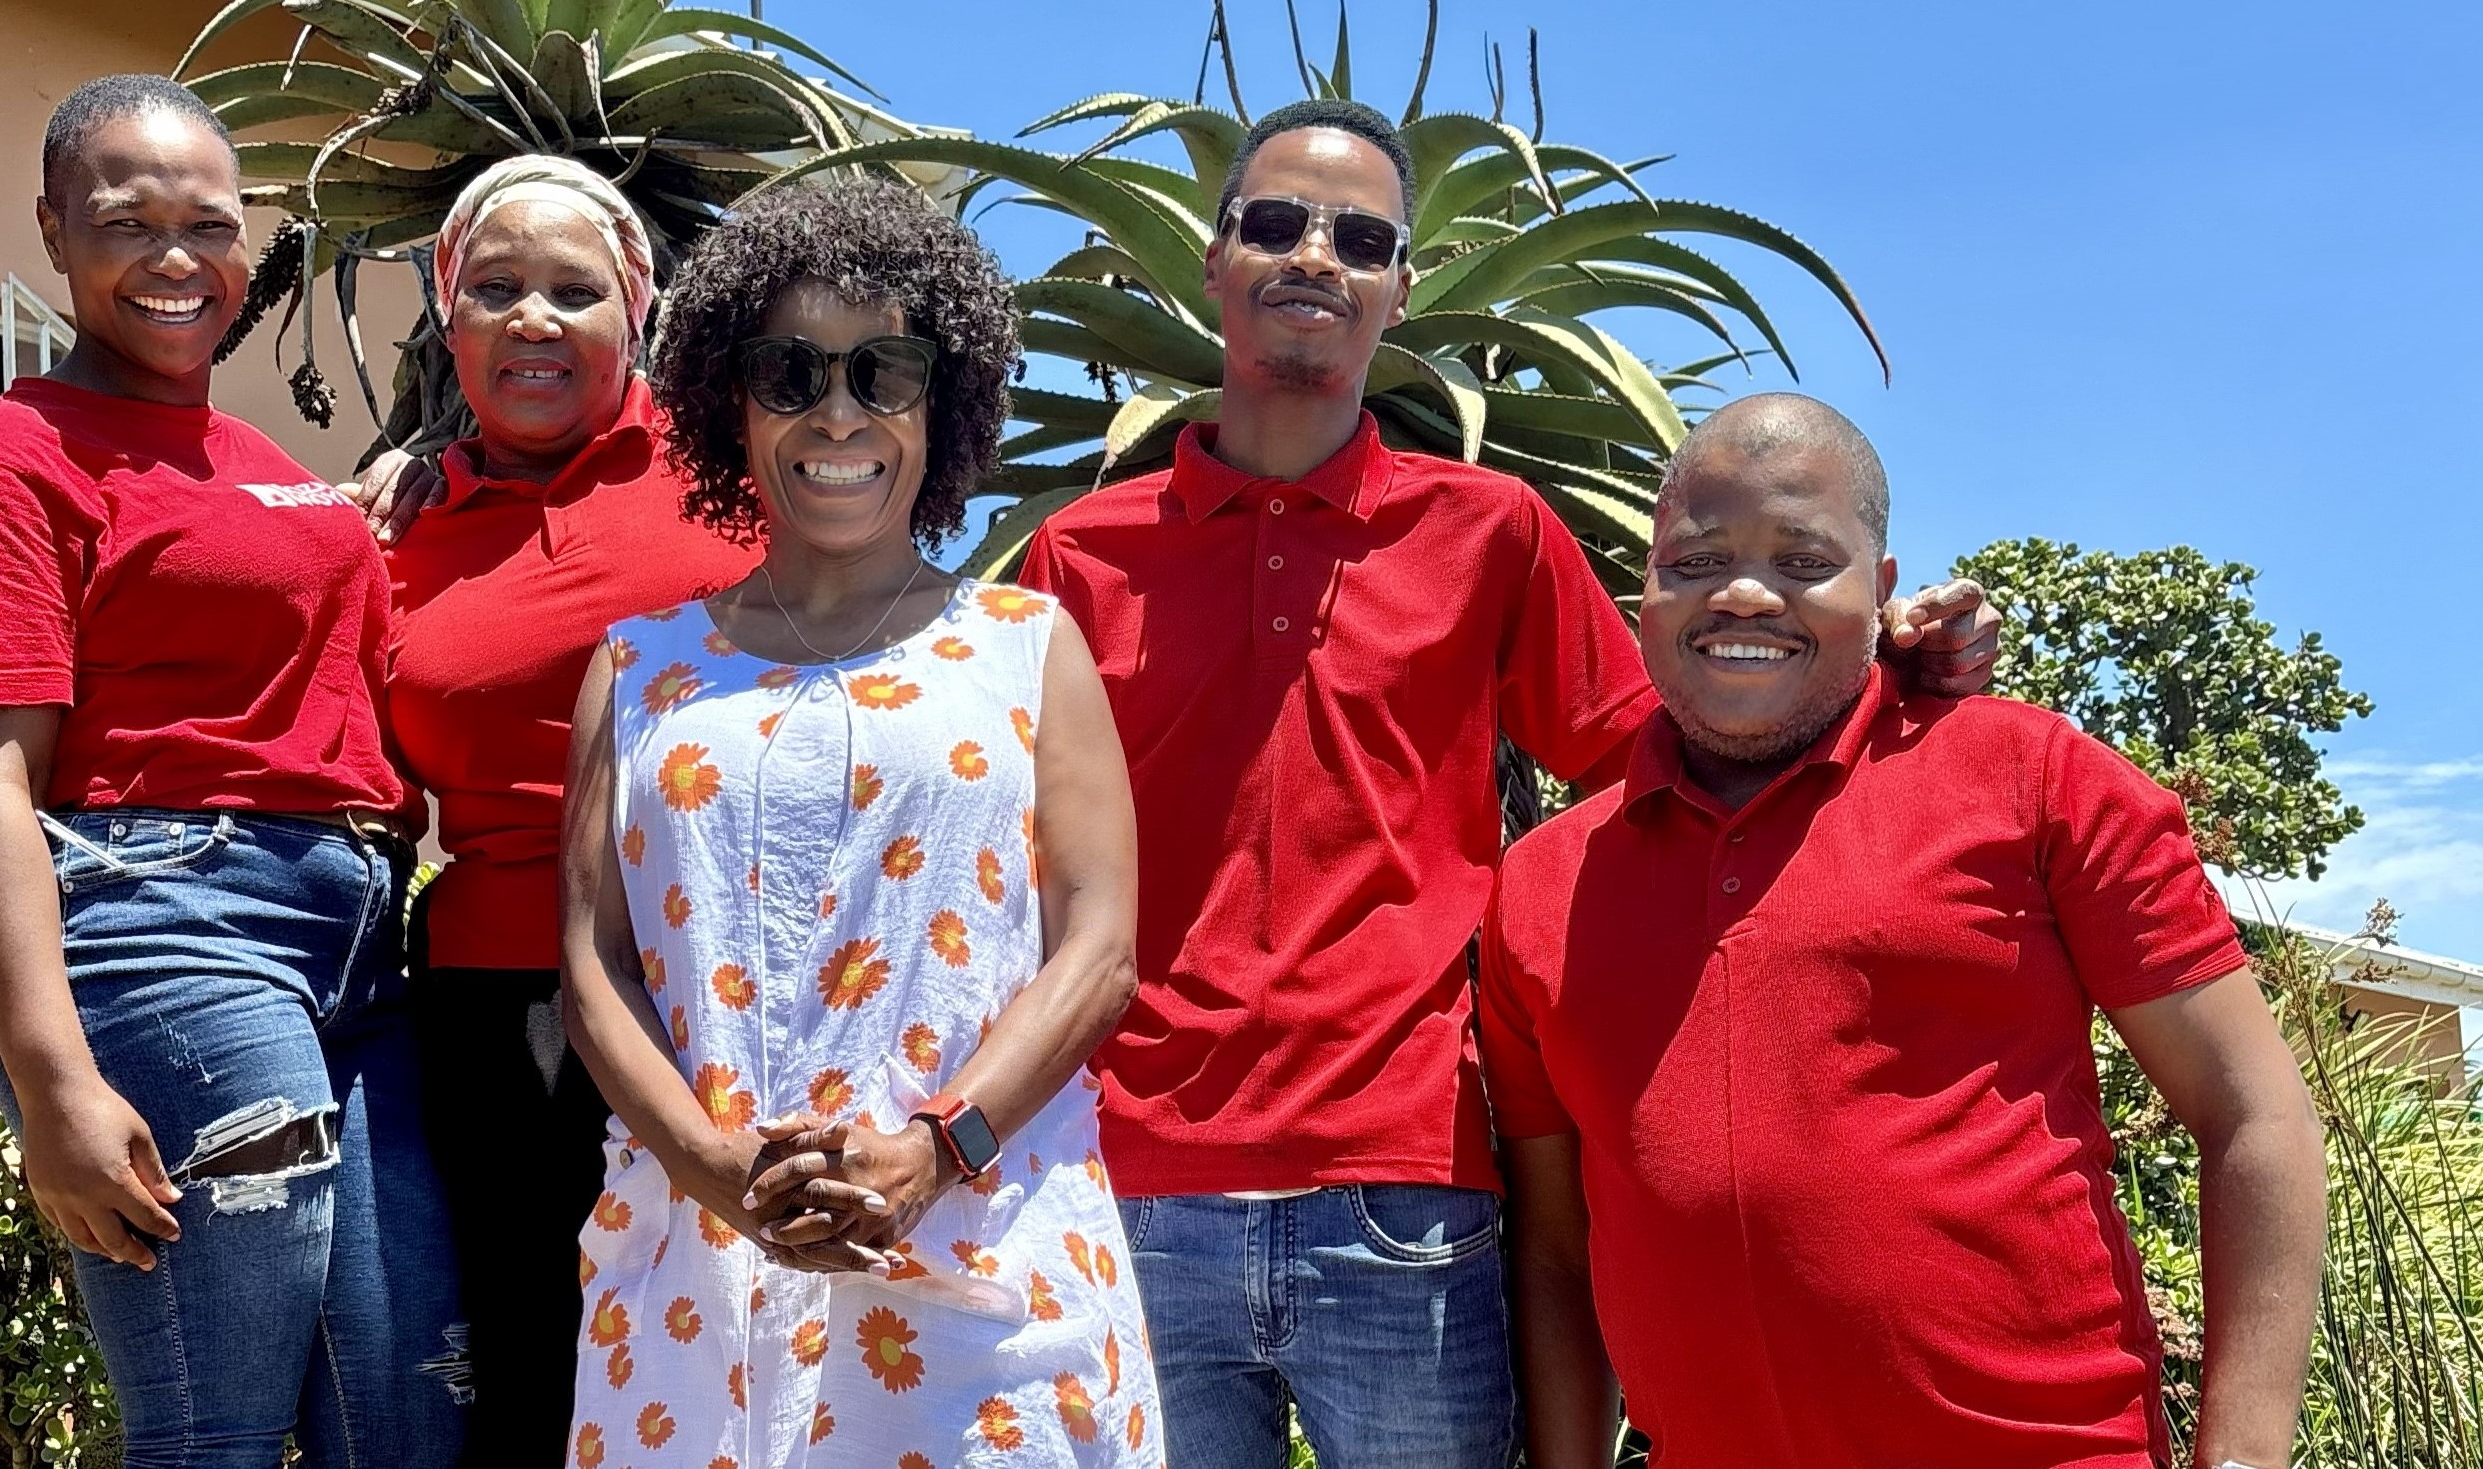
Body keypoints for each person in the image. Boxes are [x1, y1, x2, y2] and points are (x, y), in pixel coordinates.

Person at [1016, 98, 2002, 1468]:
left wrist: (1868, 664)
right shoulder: (1078, 555)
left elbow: (1661, 756)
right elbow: (993, 853)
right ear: (1214, 259)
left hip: (1409, 1187)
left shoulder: (1492, 533)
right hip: (1131, 1188)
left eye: (1361, 238)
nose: (1317, 255)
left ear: (1400, 292)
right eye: (1277, 223)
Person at [1485, 392, 2326, 1469]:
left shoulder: (2032, 778)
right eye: (1693, 561)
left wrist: (2243, 1455)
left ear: (1880, 591)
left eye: (1801, 558)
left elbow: (2253, 1113)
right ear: (1642, 589)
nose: (1742, 591)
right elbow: (1557, 1247)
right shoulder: (1538, 887)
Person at [0, 75, 464, 1468]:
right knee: (218, 1427)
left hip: (370, 947)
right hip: (170, 929)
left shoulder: (263, 464)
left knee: (412, 1413)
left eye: (209, 225)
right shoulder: (9, 464)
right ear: (52, 229)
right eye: (126, 222)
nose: (174, 260)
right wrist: (51, 1083)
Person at [557, 175, 1163, 1466]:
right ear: (733, 398)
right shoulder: (636, 664)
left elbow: (1100, 944)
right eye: (792, 371)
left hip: (981, 1259)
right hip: (694, 1268)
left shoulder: (1028, 645)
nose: (840, 411)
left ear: (941, 407)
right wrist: (714, 1167)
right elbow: (593, 962)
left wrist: (939, 1150)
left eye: (885, 371)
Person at [377, 154, 757, 1460]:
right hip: (488, 1013)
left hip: (721, 987)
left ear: (634, 310)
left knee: (735, 1354)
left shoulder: (741, 477)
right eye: (495, 288)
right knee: (528, 1375)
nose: (531, 318)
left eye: (571, 290)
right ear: (449, 315)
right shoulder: (401, 530)